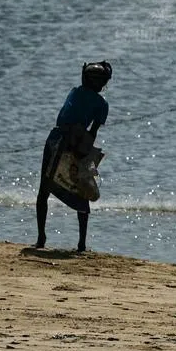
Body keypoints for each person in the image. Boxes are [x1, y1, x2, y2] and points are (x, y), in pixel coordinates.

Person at [36, 61, 112, 253]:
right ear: (103, 83)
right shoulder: (102, 104)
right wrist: (83, 151)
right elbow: (93, 131)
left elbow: (65, 116)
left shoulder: (75, 91)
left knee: (44, 189)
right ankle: (81, 243)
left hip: (56, 139)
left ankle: (41, 238)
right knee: (81, 190)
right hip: (78, 144)